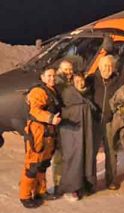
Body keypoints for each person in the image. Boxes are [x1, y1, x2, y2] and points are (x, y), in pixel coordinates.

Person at [19, 67, 61, 208]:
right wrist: (50, 118)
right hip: (37, 132)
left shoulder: (53, 91)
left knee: (43, 164)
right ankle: (25, 196)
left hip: (48, 133)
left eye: (54, 76)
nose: (52, 78)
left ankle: (40, 192)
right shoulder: (38, 91)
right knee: (33, 165)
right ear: (42, 77)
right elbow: (35, 110)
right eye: (49, 76)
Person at [86, 55, 124, 190]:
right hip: (95, 121)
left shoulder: (118, 81)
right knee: (91, 152)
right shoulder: (91, 79)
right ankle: (91, 182)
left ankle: (111, 180)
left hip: (110, 121)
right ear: (99, 67)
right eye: (104, 66)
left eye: (109, 66)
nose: (107, 69)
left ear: (113, 68)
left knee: (111, 151)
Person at [58, 73, 98, 201]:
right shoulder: (68, 94)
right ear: (72, 82)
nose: (80, 83)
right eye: (77, 80)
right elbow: (63, 112)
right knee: (74, 157)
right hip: (72, 131)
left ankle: (84, 185)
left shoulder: (88, 94)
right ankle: (71, 188)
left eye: (82, 80)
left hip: (86, 131)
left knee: (87, 155)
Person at [52, 60, 74, 194]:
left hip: (72, 124)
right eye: (66, 69)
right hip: (61, 123)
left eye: (70, 69)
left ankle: (70, 182)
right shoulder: (58, 85)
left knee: (72, 155)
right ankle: (58, 183)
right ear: (60, 70)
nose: (69, 72)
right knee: (59, 156)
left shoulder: (73, 83)